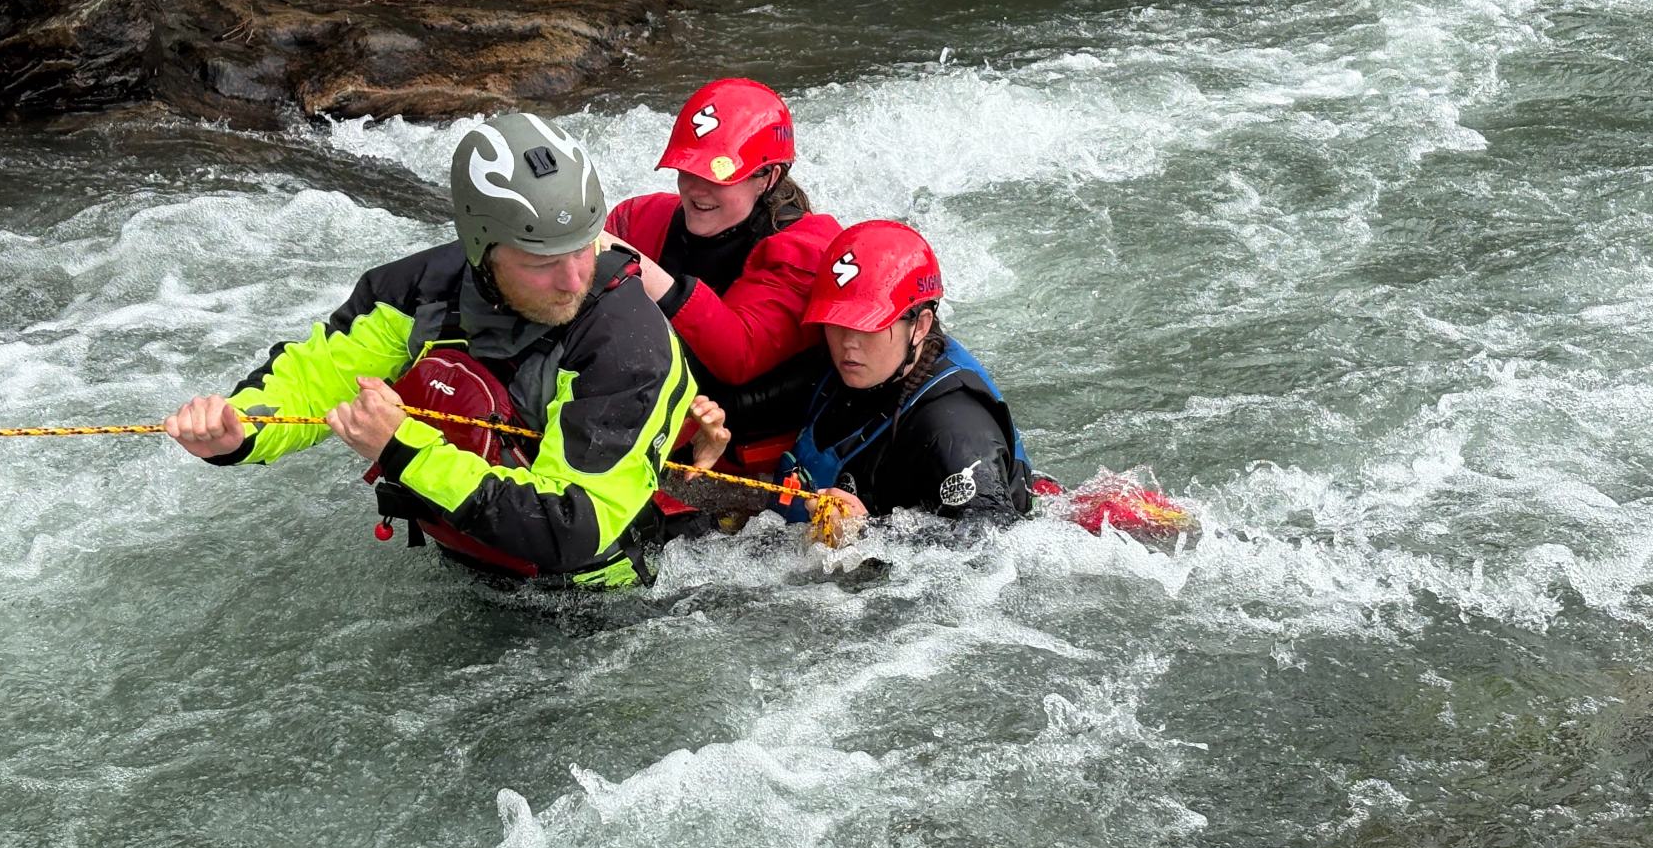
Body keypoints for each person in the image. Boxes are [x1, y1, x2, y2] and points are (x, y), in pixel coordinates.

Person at [163, 112, 717, 589]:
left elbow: (573, 524)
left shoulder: (629, 344)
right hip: (470, 566)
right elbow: (312, 381)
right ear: (481, 246)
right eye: (542, 262)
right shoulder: (416, 292)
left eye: (583, 249)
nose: (573, 280)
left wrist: (403, 448)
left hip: (598, 600)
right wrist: (240, 431)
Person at [605, 78, 841, 445]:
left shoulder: (805, 251)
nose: (697, 190)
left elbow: (738, 352)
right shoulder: (639, 218)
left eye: (719, 176)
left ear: (768, 177)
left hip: (754, 433)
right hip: (679, 410)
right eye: (688, 170)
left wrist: (637, 266)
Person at [765, 220, 1033, 538]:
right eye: (835, 321)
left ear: (919, 326)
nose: (848, 343)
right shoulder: (841, 358)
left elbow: (992, 543)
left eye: (867, 326)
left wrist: (872, 532)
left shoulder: (955, 431)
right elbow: (751, 405)